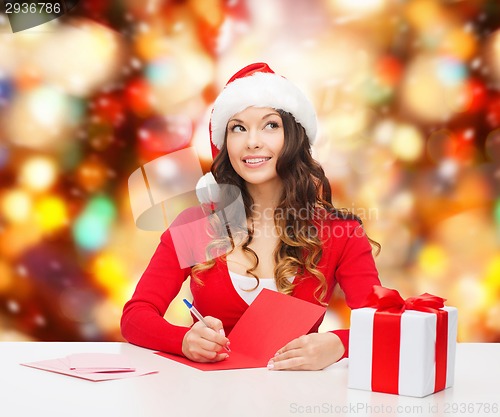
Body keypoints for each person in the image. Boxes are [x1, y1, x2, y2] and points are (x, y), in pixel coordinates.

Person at [121, 62, 381, 371]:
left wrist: (339, 344)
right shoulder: (197, 226)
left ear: (294, 137)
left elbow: (384, 325)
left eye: (270, 125)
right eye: (238, 128)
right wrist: (183, 340)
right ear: (225, 143)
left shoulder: (342, 233)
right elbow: (135, 316)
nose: (252, 141)